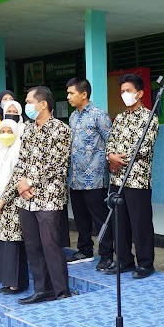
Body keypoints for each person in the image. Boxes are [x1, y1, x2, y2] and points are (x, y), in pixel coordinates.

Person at [0, 85, 72, 304]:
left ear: (43, 104)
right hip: (26, 198)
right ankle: (42, 289)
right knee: (33, 245)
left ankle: (61, 291)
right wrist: (20, 186)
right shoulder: (28, 129)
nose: (27, 106)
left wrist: (30, 182)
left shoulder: (61, 129)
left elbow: (57, 163)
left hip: (48, 197)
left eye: (30, 102)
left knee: (51, 244)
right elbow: (22, 162)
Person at [105, 74, 160, 279]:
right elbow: (110, 143)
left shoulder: (149, 117)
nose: (124, 95)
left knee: (140, 223)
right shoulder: (119, 118)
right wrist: (111, 156)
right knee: (119, 223)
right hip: (117, 179)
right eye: (122, 92)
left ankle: (146, 263)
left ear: (140, 93)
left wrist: (119, 160)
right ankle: (124, 261)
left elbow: (143, 147)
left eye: (128, 91)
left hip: (137, 179)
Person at [66, 77, 114, 269]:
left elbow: (111, 141)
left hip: (95, 179)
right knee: (80, 217)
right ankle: (84, 250)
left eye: (71, 93)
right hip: (76, 178)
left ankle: (106, 255)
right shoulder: (72, 117)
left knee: (100, 219)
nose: (68, 96)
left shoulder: (99, 115)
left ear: (83, 94)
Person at [0, 120, 29, 293]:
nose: (5, 134)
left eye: (9, 130)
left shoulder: (19, 151)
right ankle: (5, 280)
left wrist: (2, 201)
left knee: (13, 243)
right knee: (0, 243)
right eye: (2, 131)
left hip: (12, 204)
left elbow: (16, 179)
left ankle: (17, 283)